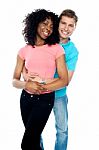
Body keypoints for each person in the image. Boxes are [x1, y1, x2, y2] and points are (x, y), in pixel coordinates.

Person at [12, 9, 68, 150]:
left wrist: (41, 85)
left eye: (51, 26)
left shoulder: (57, 49)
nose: (48, 28)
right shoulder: (24, 50)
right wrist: (27, 84)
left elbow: (64, 80)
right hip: (25, 99)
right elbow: (14, 80)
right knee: (34, 141)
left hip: (45, 99)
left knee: (27, 143)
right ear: (35, 24)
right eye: (45, 24)